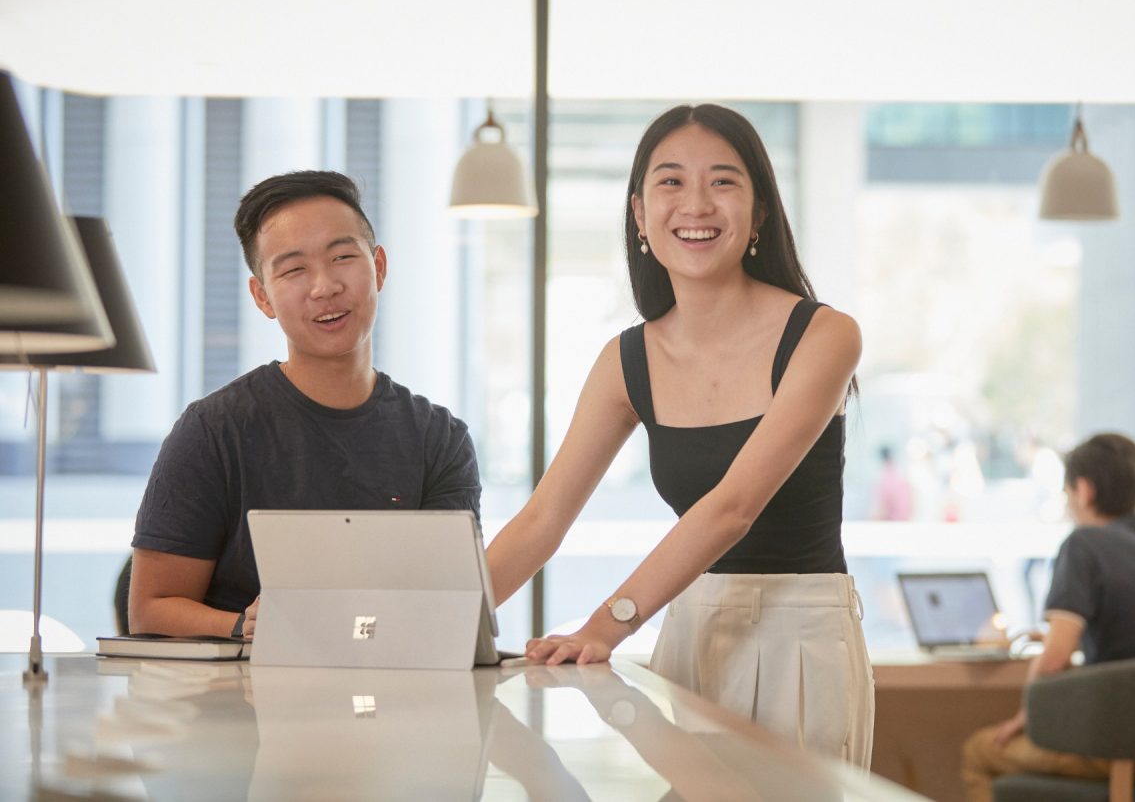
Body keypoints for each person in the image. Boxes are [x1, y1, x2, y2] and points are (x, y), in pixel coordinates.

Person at [486, 104, 873, 764]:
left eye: (723, 181)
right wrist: (434, 628)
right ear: (639, 214)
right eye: (670, 182)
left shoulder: (823, 334)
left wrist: (602, 627)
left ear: (759, 215)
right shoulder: (626, 359)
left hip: (801, 639)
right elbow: (542, 519)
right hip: (687, 628)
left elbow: (732, 507)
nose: (696, 203)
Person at [129, 171, 480, 640]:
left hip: (392, 693)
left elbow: (449, 604)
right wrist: (243, 625)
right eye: (294, 270)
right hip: (234, 701)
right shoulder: (214, 428)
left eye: (342, 257)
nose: (324, 286)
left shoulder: (439, 438)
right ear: (262, 297)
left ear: (378, 267)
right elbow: (150, 609)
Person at [961, 433, 1135, 802]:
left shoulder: (1084, 543)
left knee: (980, 751)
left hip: (1134, 755)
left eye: (1067, 495)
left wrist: (1027, 715)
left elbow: (1055, 660)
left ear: (1083, 491)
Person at [870, 444, 913, 521]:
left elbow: (882, 509)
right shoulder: (900, 475)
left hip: (892, 524)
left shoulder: (885, 479)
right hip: (904, 521)